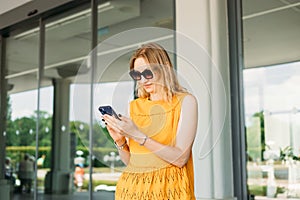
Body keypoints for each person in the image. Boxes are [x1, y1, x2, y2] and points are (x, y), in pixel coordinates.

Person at [102, 42, 198, 200]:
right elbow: (132, 163)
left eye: (148, 72)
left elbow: (180, 158)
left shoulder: (186, 102)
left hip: (170, 192)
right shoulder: (133, 107)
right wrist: (120, 142)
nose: (142, 80)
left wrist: (138, 136)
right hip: (131, 192)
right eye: (136, 75)